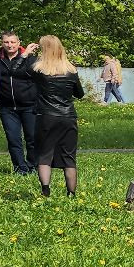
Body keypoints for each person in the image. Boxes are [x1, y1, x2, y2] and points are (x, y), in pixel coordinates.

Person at [29, 35, 84, 197]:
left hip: (46, 116)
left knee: (44, 154)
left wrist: (26, 55)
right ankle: (71, 193)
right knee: (69, 156)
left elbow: (17, 71)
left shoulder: (39, 70)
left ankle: (45, 190)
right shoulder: (71, 71)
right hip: (68, 116)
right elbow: (79, 94)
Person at [0, 31, 39, 175]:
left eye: (12, 42)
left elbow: (39, 79)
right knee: (13, 139)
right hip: (7, 107)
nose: (9, 45)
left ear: (18, 43)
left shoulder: (30, 59)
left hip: (29, 105)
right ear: (1, 43)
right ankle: (20, 168)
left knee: (32, 138)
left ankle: (33, 166)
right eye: (6, 42)